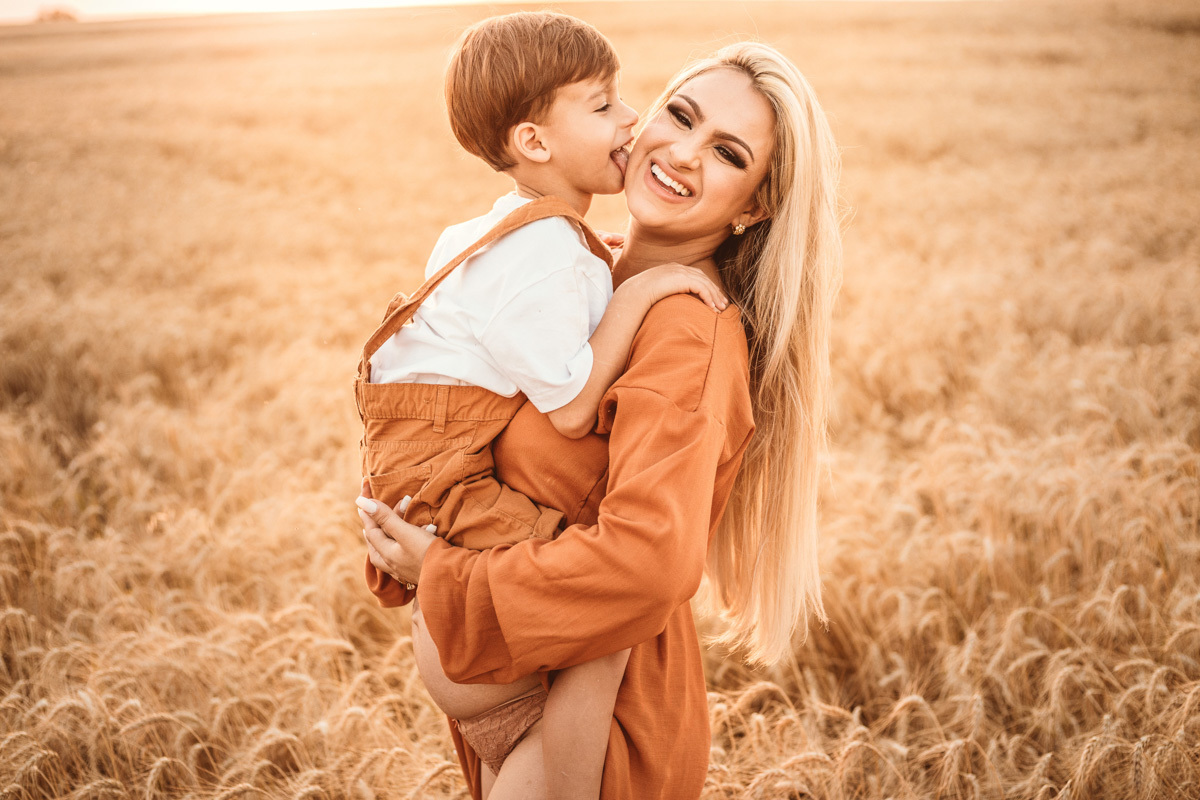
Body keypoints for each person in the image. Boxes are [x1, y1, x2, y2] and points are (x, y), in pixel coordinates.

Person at [358, 40, 843, 799]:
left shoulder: (687, 329)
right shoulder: (580, 272)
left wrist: (442, 575)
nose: (682, 152)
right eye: (679, 115)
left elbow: (649, 563)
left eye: (726, 153)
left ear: (754, 205)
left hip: (594, 734)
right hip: (522, 709)